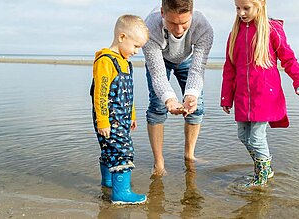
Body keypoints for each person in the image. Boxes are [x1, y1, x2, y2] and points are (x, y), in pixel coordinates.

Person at [220, 0, 299, 187]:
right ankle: (266, 169)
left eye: (246, 8)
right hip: (243, 96)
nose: (241, 13)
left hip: (265, 94)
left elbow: (289, 59)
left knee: (256, 137)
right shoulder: (234, 34)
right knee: (243, 136)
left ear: (260, 5)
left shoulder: (271, 30)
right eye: (237, 8)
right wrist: (226, 97)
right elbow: (229, 68)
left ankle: (261, 177)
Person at [142, 0, 214, 175]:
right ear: (162, 13)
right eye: (173, 23)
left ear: (192, 13)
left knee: (196, 107)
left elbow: (197, 70)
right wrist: (170, 99)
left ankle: (189, 155)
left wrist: (191, 95)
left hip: (188, 60)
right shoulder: (149, 28)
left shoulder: (204, 27)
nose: (179, 29)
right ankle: (159, 162)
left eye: (184, 23)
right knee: (158, 107)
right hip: (159, 60)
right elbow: (158, 75)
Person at [90, 14, 149, 204]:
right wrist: (103, 121)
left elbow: (128, 94)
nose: (137, 51)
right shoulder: (106, 61)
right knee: (122, 150)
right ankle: (121, 193)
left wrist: (132, 115)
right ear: (122, 37)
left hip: (122, 118)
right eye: (136, 46)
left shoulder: (125, 62)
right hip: (109, 119)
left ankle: (109, 181)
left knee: (110, 150)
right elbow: (100, 94)